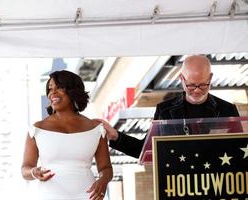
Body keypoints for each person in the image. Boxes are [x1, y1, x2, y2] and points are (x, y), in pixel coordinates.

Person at [98, 55, 240, 158]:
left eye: (203, 84)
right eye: (190, 85)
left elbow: (240, 151)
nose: (197, 90)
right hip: (178, 185)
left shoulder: (227, 110)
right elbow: (146, 150)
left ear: (210, 78)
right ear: (181, 79)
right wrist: (116, 136)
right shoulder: (165, 111)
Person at [21, 70, 113, 200]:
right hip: (49, 195)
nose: (53, 92)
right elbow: (25, 168)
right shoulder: (37, 129)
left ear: (72, 91)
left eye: (59, 88)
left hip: (88, 195)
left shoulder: (96, 128)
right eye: (50, 89)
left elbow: (106, 168)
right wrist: (33, 172)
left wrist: (103, 181)